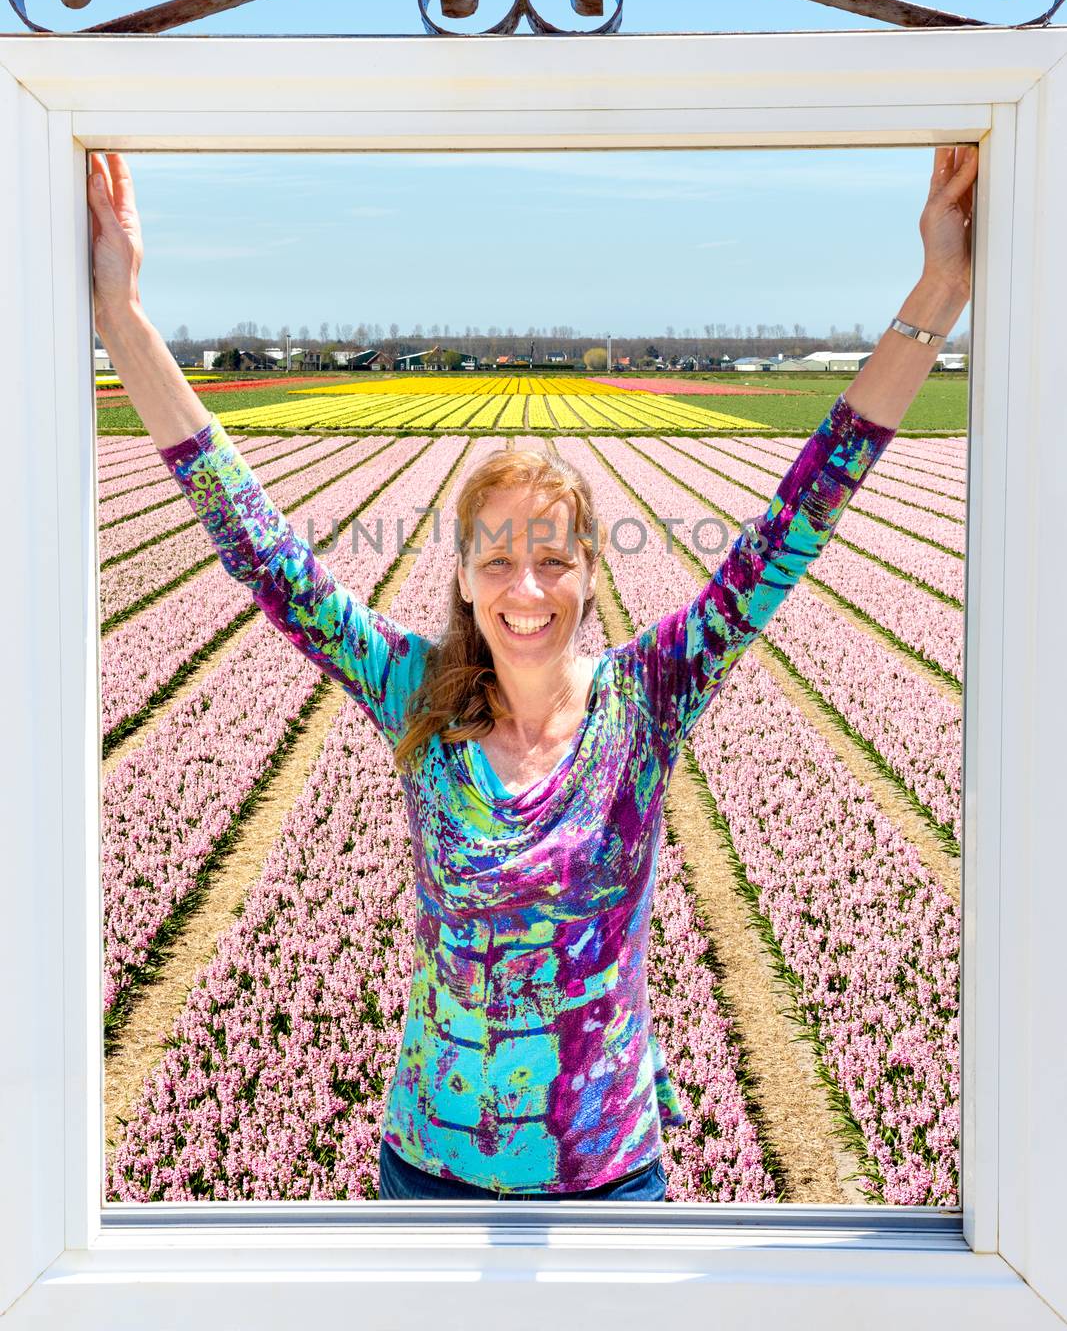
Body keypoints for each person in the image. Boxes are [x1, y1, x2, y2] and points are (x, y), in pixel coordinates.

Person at [89, 145, 976, 1203]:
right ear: (462, 577)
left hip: (606, 1179)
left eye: (552, 557)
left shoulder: (644, 700)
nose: (526, 586)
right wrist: (124, 316)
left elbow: (801, 510)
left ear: (589, 573)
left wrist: (936, 288)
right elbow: (256, 544)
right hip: (428, 1171)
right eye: (497, 557)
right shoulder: (415, 692)